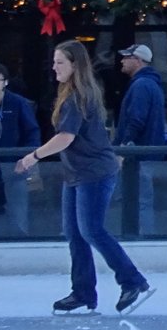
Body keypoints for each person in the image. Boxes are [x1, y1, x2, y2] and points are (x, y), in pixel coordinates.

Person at [15, 41, 153, 315]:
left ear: (75, 65)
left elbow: (66, 137)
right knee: (75, 234)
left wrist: (34, 156)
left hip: (95, 172)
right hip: (77, 173)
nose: (54, 68)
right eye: (54, 62)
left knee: (91, 230)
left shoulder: (79, 94)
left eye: (60, 63)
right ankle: (83, 292)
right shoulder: (69, 92)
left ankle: (133, 281)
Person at [0, 62, 40, 235]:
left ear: (6, 82)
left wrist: (27, 158)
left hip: (15, 167)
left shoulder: (18, 103)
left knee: (18, 211)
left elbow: (32, 132)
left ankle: (21, 242)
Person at [114, 44, 167, 233]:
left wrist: (124, 148)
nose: (122, 60)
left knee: (138, 200)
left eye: (126, 57)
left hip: (138, 157)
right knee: (140, 200)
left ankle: (140, 239)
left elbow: (136, 119)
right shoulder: (151, 84)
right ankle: (142, 237)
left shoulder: (141, 85)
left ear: (137, 60)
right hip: (145, 156)